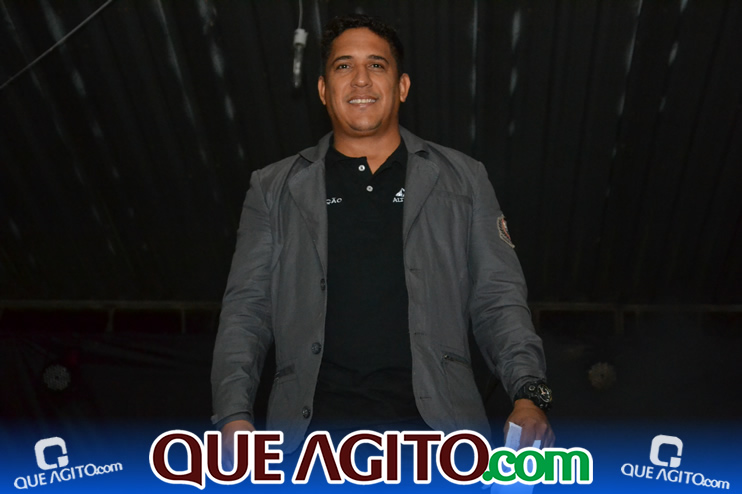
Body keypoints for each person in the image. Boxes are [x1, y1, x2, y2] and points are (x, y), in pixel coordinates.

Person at [211, 13, 554, 456]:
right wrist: (233, 415)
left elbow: (498, 299)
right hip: (310, 447)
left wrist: (529, 395)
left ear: (402, 86)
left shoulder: (464, 179)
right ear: (323, 90)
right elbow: (246, 311)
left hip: (439, 443)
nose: (360, 80)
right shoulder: (273, 187)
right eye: (343, 66)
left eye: (376, 65)